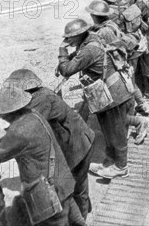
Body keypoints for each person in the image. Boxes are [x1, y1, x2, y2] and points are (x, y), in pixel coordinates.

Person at [3, 69, 95, 221]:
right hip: (78, 141)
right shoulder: (41, 94)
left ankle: (81, 218)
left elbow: (25, 128)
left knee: (74, 188)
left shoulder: (40, 100)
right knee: (79, 185)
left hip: (77, 146)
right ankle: (82, 214)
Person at [57, 19, 135, 179]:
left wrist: (62, 53)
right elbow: (79, 55)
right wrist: (68, 57)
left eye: (69, 38)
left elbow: (67, 70)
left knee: (116, 131)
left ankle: (121, 167)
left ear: (79, 35)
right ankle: (109, 162)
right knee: (108, 129)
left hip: (113, 94)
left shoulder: (89, 50)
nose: (66, 41)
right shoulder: (91, 38)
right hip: (107, 91)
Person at [0, 87, 82, 226]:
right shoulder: (34, 114)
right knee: (77, 222)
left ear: (8, 113)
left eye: (1, 113)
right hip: (64, 184)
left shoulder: (19, 131)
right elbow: (11, 135)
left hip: (50, 195)